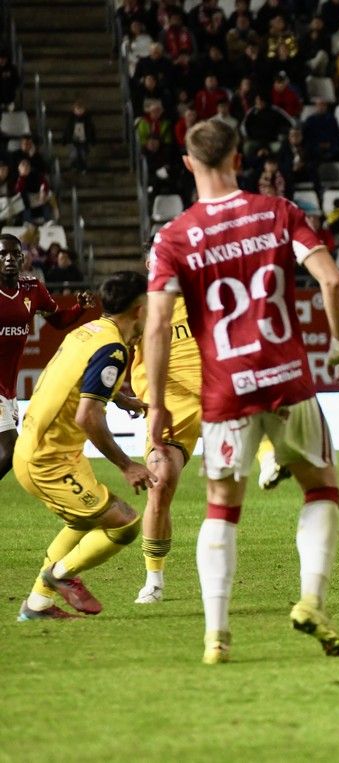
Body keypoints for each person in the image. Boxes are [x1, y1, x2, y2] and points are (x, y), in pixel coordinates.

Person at [143, 119, 339, 664]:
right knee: (321, 489)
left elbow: (157, 326)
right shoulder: (279, 212)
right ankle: (311, 601)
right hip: (288, 382)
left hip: (224, 392)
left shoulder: (173, 238)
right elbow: (333, 281)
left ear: (188, 164)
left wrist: (157, 404)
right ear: (238, 157)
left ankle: (216, 636)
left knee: (222, 507)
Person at [128, 245, 289, 606]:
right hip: (170, 401)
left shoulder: (210, 295)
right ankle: (154, 580)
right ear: (150, 263)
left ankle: (269, 460)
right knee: (160, 482)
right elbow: (116, 347)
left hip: (213, 390)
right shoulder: (140, 306)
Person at [14, 272, 156, 621]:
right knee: (124, 523)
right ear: (139, 309)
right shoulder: (114, 349)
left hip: (44, 449)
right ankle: (60, 575)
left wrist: (120, 397)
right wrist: (127, 465)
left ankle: (37, 605)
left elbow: (79, 379)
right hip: (48, 461)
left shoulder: (89, 331)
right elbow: (88, 416)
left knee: (83, 522)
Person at [0, 235, 94, 482]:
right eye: (2, 254)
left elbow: (57, 320)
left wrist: (79, 309)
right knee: (10, 450)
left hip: (8, 390)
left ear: (22, 258)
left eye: (14, 254)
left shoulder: (33, 289)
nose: (8, 259)